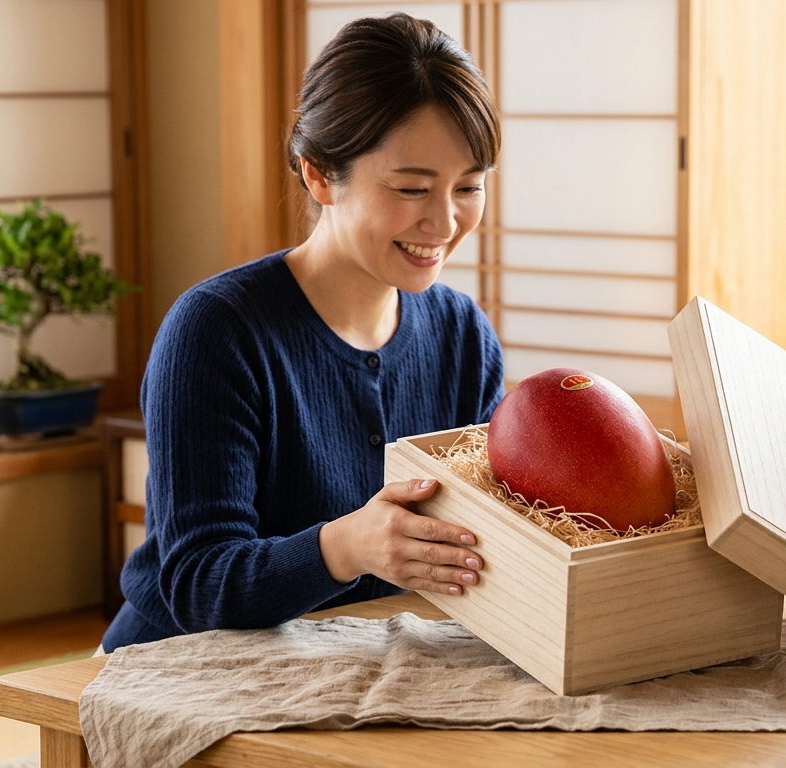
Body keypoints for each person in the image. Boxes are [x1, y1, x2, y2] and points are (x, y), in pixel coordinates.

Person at [101, 14, 504, 652]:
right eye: (411, 188)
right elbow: (197, 583)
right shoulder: (216, 331)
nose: (445, 222)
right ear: (318, 175)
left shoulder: (462, 335)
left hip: (355, 659)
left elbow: (488, 534)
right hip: (176, 665)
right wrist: (347, 547)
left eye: (469, 187)